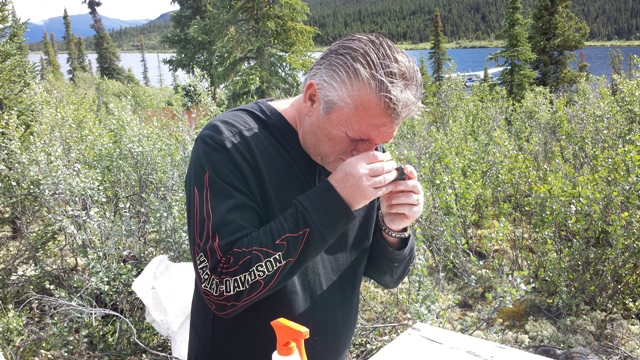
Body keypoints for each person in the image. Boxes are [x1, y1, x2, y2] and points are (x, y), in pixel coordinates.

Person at [185, 33, 424, 359]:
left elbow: (386, 274)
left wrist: (394, 227)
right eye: (356, 138)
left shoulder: (364, 145)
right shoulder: (229, 145)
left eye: (380, 141)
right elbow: (221, 285)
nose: (367, 154)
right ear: (312, 98)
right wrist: (336, 199)